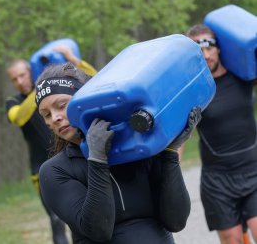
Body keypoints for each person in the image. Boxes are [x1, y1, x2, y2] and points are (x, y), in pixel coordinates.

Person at [35, 63, 199, 243]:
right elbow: (98, 230)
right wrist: (97, 160)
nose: (55, 118)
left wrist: (169, 153)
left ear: (85, 99)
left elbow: (176, 221)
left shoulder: (139, 147)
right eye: (46, 115)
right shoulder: (55, 171)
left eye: (61, 105)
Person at [5, 46, 96, 244]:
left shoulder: (55, 88)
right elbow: (19, 117)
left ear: (31, 70)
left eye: (22, 75)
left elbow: (94, 82)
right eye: (14, 79)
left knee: (83, 214)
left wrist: (75, 62)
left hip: (71, 157)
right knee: (56, 218)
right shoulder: (13, 101)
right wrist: (44, 86)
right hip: (40, 168)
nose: (19, 82)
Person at [186, 24, 257, 244]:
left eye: (209, 48)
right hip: (217, 180)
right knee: (232, 239)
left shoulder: (243, 77)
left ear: (219, 48)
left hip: (253, 170)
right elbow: (180, 134)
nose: (206, 55)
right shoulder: (193, 90)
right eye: (199, 51)